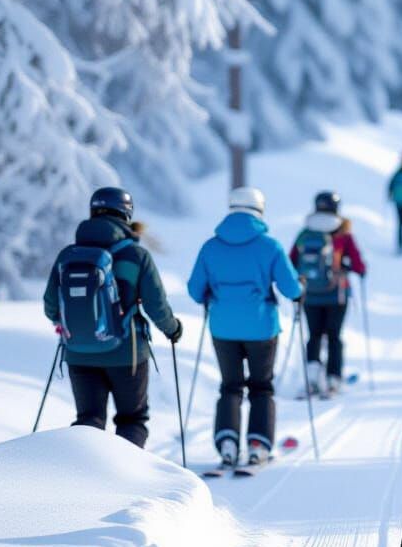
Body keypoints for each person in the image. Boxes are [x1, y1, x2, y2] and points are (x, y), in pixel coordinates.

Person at [43, 187, 182, 449]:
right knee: (132, 420)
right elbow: (156, 305)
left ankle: (86, 480)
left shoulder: (68, 255)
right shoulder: (136, 255)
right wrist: (172, 329)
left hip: (78, 352)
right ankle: (125, 481)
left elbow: (51, 307)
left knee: (88, 421)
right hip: (126, 353)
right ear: (126, 213)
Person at [188, 187, 302, 469]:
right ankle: (257, 444)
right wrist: (300, 291)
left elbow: (194, 290)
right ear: (259, 210)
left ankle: (227, 442)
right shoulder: (270, 246)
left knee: (230, 385)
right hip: (261, 327)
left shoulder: (210, 246)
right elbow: (290, 288)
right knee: (261, 387)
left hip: (223, 327)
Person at [290, 191, 367, 398]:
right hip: (336, 294)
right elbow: (359, 265)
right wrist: (353, 268)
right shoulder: (343, 233)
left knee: (314, 335)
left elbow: (292, 261)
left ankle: (312, 378)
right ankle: (333, 379)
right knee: (334, 336)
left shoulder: (306, 232)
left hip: (310, 294)